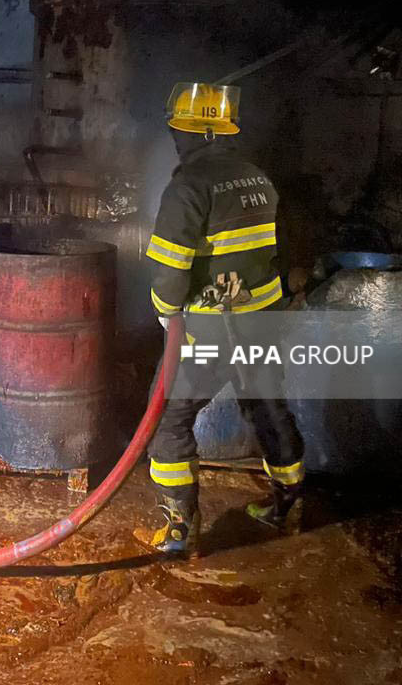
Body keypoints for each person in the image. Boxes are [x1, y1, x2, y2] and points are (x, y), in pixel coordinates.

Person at [135, 82, 303, 557]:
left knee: (167, 418)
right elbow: (277, 255)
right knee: (268, 406)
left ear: (203, 133)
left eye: (180, 131)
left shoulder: (187, 187)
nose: (175, 140)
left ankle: (178, 525)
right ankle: (287, 503)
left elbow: (169, 271)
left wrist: (168, 317)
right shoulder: (258, 179)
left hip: (211, 329)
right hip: (262, 322)